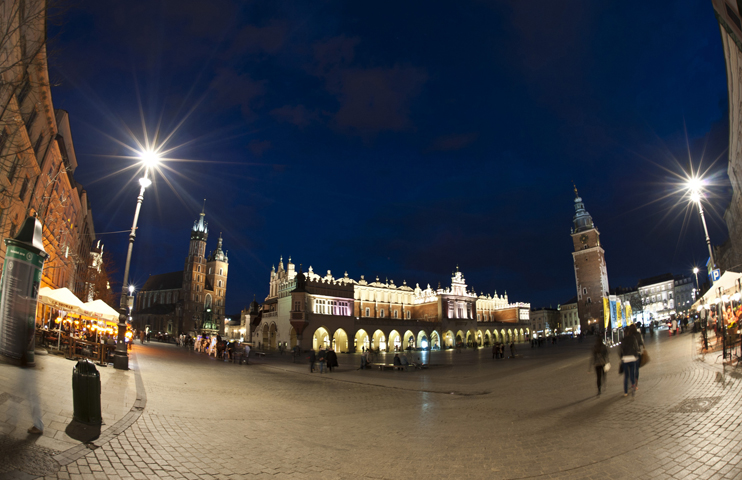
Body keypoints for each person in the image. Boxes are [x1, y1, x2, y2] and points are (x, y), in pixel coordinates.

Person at [620, 327, 640, 397]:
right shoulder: (633, 338)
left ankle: (625, 392)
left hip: (625, 359)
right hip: (632, 358)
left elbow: (620, 350)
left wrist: (621, 357)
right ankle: (633, 387)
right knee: (632, 373)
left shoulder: (623, 340)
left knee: (626, 376)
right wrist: (635, 354)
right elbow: (636, 348)